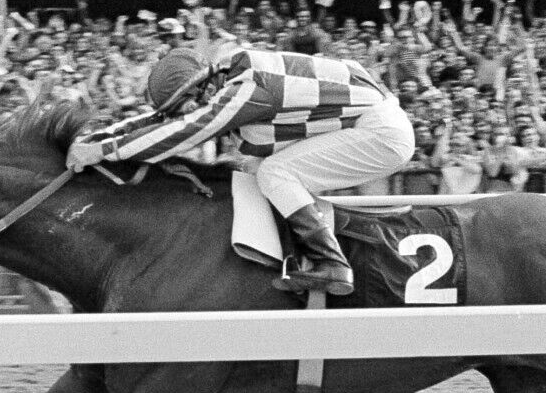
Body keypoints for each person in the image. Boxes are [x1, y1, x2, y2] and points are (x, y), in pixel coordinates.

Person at [67, 46, 414, 295]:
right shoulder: (226, 76)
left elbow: (186, 131)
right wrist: (96, 138)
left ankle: (332, 264)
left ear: (202, 86)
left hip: (381, 133)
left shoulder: (247, 87)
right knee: (253, 168)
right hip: (365, 122)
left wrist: (104, 151)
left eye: (185, 104)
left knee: (274, 173)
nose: (185, 112)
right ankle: (288, 258)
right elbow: (160, 121)